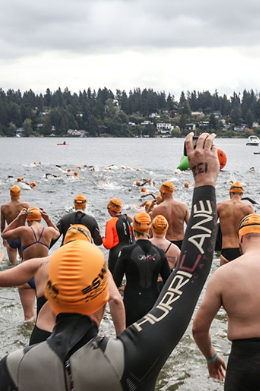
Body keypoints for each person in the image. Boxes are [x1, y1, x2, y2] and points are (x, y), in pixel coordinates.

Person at [0, 132, 219, 391]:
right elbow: (189, 272)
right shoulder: (133, 355)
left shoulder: (11, 368)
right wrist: (204, 180)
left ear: (48, 291)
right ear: (104, 293)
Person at [193, 213, 260, 390]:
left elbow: (199, 328)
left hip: (248, 359)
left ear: (241, 239)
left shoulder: (225, 274)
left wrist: (211, 357)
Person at [0, 224, 125, 345]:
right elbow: (115, 300)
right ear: (88, 245)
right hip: (80, 338)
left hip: (43, 336)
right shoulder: (98, 265)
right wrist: (121, 344)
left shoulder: (41, 263)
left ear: (64, 244)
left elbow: (3, 279)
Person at [1, 207, 59, 321]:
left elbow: (4, 234)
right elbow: (57, 233)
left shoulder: (24, 230)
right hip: (43, 275)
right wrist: (48, 220)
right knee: (46, 316)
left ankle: (28, 336)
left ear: (28, 220)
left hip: (25, 276)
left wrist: (18, 219)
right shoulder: (49, 231)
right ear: (40, 219)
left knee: (28, 317)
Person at [113, 212, 171, 326]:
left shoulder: (126, 252)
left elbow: (115, 282)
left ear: (133, 228)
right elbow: (168, 283)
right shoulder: (159, 253)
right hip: (153, 305)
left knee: (130, 341)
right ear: (149, 229)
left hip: (131, 304)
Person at [217, 181, 254, 265]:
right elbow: (255, 229)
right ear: (242, 194)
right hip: (240, 249)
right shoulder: (248, 208)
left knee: (224, 277)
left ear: (230, 193)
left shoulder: (220, 206)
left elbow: (211, 227)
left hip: (225, 249)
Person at [151, 181, 190, 249]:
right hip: (182, 242)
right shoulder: (184, 206)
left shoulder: (156, 209)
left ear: (162, 192)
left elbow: (152, 233)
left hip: (165, 243)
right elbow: (190, 227)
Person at [102, 198, 134, 274]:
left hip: (117, 254)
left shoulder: (111, 222)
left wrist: (103, 239)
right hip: (133, 251)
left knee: (114, 280)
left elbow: (108, 245)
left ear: (110, 209)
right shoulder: (130, 219)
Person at [149, 214, 180, 290]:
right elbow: (180, 272)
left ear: (152, 228)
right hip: (166, 286)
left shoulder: (143, 245)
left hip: (147, 285)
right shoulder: (175, 249)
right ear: (166, 228)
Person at [1, 185, 29, 264]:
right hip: (22, 236)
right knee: (23, 263)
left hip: (10, 237)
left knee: (12, 264)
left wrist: (4, 239)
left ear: (10, 194)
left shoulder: (4, 207)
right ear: (19, 194)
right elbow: (30, 222)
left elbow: (2, 226)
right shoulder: (25, 205)